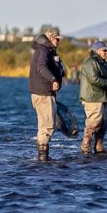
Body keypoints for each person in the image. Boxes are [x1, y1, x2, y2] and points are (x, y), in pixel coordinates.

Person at [28, 28, 65, 161]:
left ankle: (43, 158)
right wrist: (53, 79)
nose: (58, 41)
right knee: (47, 126)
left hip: (45, 93)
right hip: (43, 94)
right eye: (57, 39)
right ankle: (43, 159)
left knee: (46, 125)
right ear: (50, 38)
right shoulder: (43, 51)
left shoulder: (47, 51)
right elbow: (41, 68)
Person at [79, 41, 107, 155]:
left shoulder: (104, 63)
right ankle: (85, 148)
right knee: (94, 123)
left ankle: (99, 148)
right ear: (97, 51)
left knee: (103, 124)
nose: (106, 52)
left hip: (102, 98)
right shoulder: (90, 62)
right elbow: (94, 79)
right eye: (104, 50)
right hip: (92, 98)